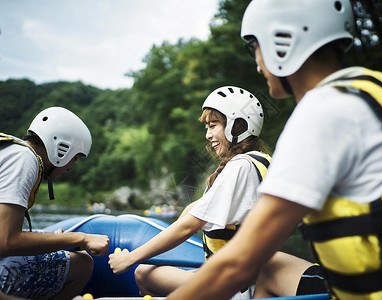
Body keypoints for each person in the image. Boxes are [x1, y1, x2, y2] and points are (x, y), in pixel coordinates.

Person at [167, 0, 382, 299]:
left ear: (283, 41)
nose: (258, 63)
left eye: (256, 47)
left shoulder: (321, 113)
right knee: (267, 269)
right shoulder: (373, 85)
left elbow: (238, 264)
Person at [109, 86, 279, 299]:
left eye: (213, 126)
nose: (208, 135)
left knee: (143, 273)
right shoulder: (261, 161)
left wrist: (130, 258)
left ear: (237, 126)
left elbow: (190, 224)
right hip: (245, 277)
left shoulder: (239, 166)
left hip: (235, 286)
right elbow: (194, 210)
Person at [0, 107, 110, 300]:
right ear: (62, 149)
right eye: (75, 158)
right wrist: (81, 238)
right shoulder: (24, 159)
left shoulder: (9, 151)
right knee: (83, 264)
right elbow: (6, 241)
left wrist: (50, 239)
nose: (70, 168)